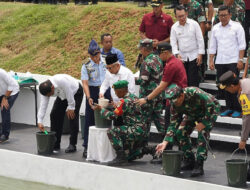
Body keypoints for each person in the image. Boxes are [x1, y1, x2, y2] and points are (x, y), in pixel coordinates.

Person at [156, 84, 220, 177]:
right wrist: (164, 142)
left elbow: (212, 105)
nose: (174, 103)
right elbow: (173, 124)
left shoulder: (194, 93)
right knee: (180, 133)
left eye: (175, 101)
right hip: (192, 113)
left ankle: (199, 163)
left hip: (209, 111)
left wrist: (204, 123)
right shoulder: (174, 105)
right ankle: (189, 160)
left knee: (202, 134)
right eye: (172, 101)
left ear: (182, 95)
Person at [94, 80, 152, 165]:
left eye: (116, 92)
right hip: (143, 129)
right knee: (129, 156)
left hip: (135, 130)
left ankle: (120, 157)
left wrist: (101, 109)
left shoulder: (123, 102)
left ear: (121, 91)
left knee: (112, 131)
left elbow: (112, 116)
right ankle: (147, 150)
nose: (116, 94)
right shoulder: (134, 97)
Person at [136, 42, 187, 138]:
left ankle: (167, 149)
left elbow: (159, 85)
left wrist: (146, 99)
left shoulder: (171, 65)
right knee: (163, 122)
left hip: (171, 98)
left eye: (159, 53)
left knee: (166, 125)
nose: (158, 56)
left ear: (166, 52)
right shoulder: (175, 61)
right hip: (169, 96)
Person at [209, 5, 246, 118]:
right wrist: (211, 60)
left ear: (230, 15)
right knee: (223, 86)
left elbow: (242, 45)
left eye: (225, 15)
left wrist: (240, 60)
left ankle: (237, 108)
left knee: (234, 85)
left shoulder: (237, 27)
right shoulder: (215, 28)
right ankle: (229, 107)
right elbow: (213, 46)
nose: (223, 17)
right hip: (220, 60)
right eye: (220, 15)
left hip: (233, 61)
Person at [37, 74, 83, 153]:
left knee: (72, 116)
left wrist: (71, 107)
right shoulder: (45, 90)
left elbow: (69, 92)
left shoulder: (61, 80)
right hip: (62, 96)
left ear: (52, 87)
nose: (49, 96)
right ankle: (55, 143)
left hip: (75, 92)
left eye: (50, 94)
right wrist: (40, 121)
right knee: (54, 115)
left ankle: (72, 144)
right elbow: (43, 105)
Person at [81, 39, 110, 158]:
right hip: (93, 91)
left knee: (108, 115)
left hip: (106, 90)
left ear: (99, 53)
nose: (95, 58)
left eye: (96, 55)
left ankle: (109, 145)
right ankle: (87, 146)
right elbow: (85, 83)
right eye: (92, 56)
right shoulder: (86, 65)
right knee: (90, 119)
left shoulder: (106, 60)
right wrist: (88, 97)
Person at [135, 39, 165, 137]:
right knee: (159, 119)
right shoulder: (158, 58)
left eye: (141, 49)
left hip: (147, 96)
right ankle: (168, 141)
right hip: (158, 94)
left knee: (144, 122)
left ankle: (142, 144)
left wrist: (133, 80)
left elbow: (143, 80)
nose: (140, 51)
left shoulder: (146, 62)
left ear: (144, 49)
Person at [170, 5, 205, 87]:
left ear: (186, 13)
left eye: (183, 15)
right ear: (176, 17)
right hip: (182, 57)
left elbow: (200, 39)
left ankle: (194, 98)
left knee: (193, 80)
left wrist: (200, 54)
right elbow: (173, 42)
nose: (182, 18)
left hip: (194, 55)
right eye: (179, 16)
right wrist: (176, 53)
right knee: (183, 80)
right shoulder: (174, 27)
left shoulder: (194, 24)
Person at [219, 71, 250, 150]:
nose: (226, 90)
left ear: (232, 86)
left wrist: (243, 139)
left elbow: (247, 117)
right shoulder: (244, 83)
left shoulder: (245, 94)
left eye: (226, 88)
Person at [0, 68, 19, 143]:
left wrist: (5, 98)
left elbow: (12, 84)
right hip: (1, 92)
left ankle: (5, 135)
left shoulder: (1, 72)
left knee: (4, 108)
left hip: (12, 91)